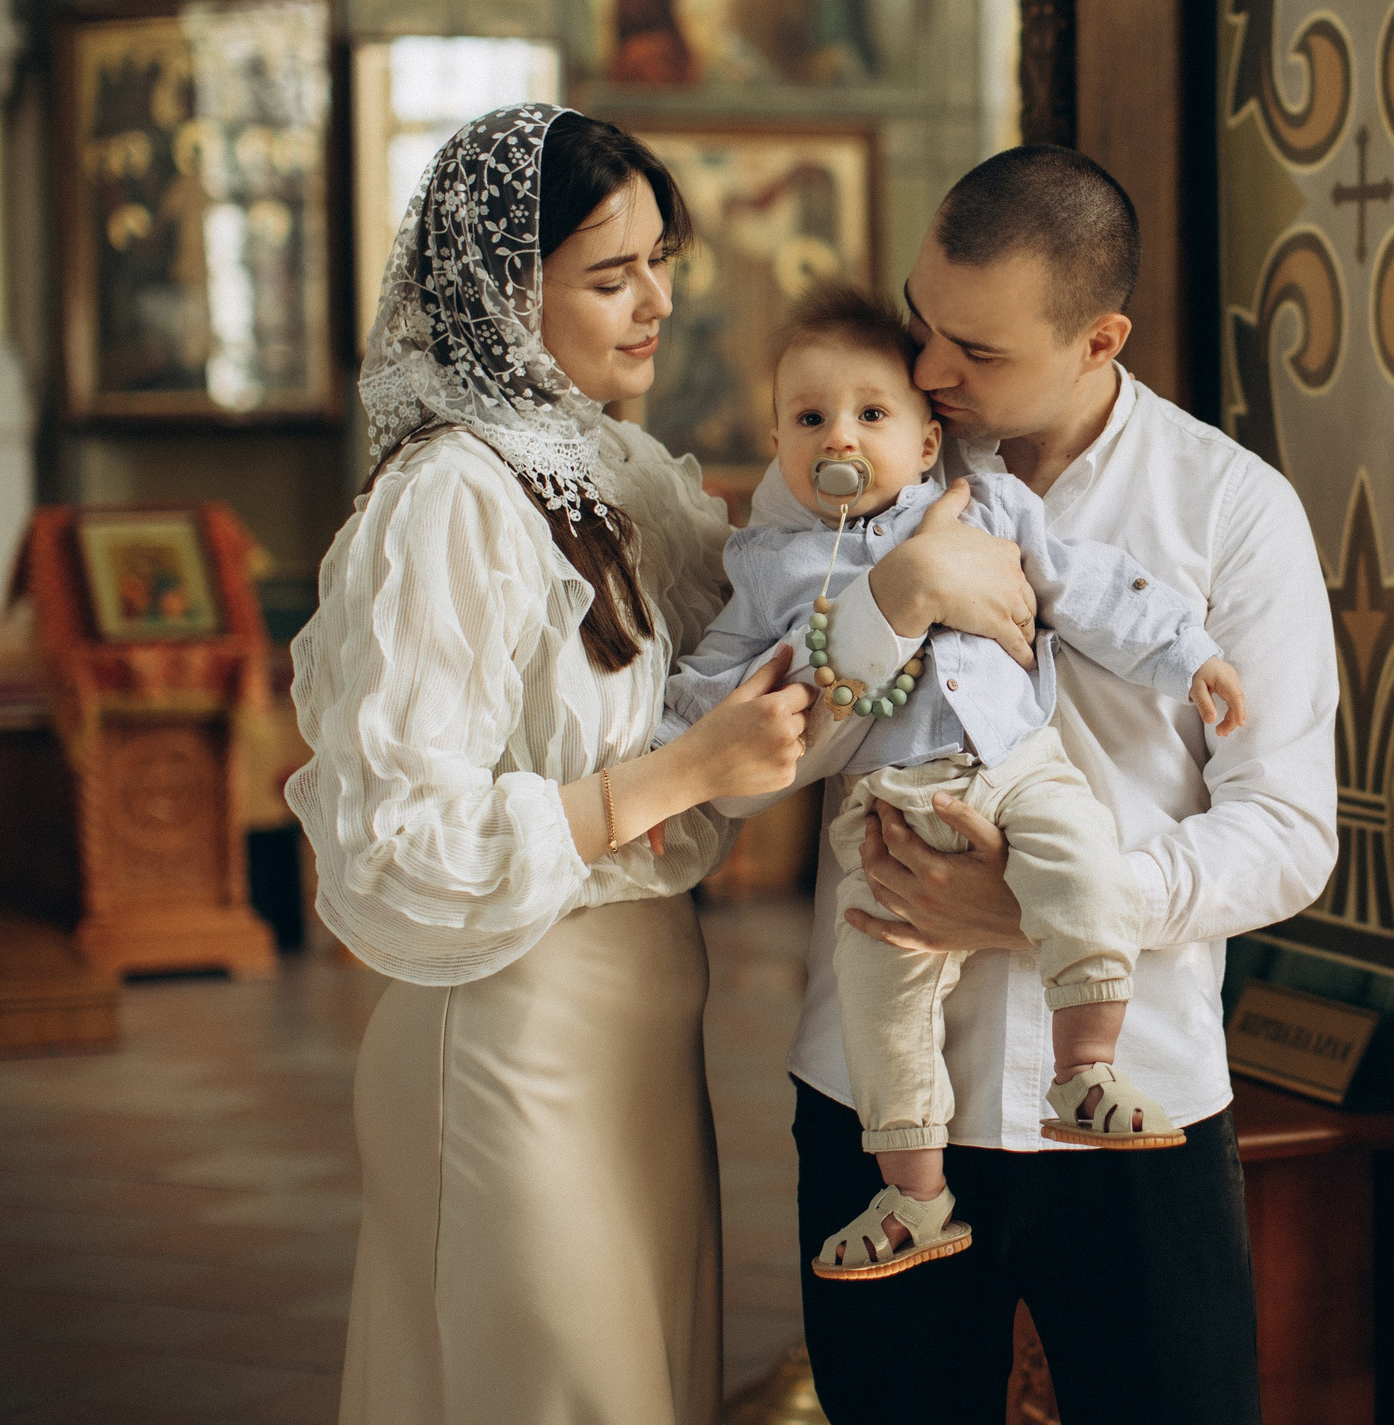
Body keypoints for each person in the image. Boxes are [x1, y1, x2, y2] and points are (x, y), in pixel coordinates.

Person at [289, 105, 971, 1424]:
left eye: (666, 259)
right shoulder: (453, 498)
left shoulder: (619, 478)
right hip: (506, 1020)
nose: (657, 301)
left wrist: (920, 569)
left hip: (645, 1031)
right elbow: (395, 839)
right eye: (611, 275)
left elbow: (772, 690)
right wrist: (669, 777)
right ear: (502, 289)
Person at [763, 145, 1339, 1423]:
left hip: (1141, 1106)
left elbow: (1288, 832)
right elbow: (745, 775)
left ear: (1099, 340)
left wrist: (1048, 909)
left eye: (976, 350)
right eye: (922, 323)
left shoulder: (1231, 511)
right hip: (875, 1104)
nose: (925, 374)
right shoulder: (842, 459)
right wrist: (889, 601)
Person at [657, 286, 1250, 1281]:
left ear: (929, 442)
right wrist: (688, 732)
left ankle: (1087, 1068)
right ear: (775, 441)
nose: (837, 435)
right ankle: (914, 1193)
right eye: (808, 420)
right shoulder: (770, 558)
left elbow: (1091, 588)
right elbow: (720, 704)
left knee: (1082, 858)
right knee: (878, 995)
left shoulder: (994, 507)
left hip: (1016, 764)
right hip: (895, 803)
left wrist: (1187, 655)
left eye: (871, 415)